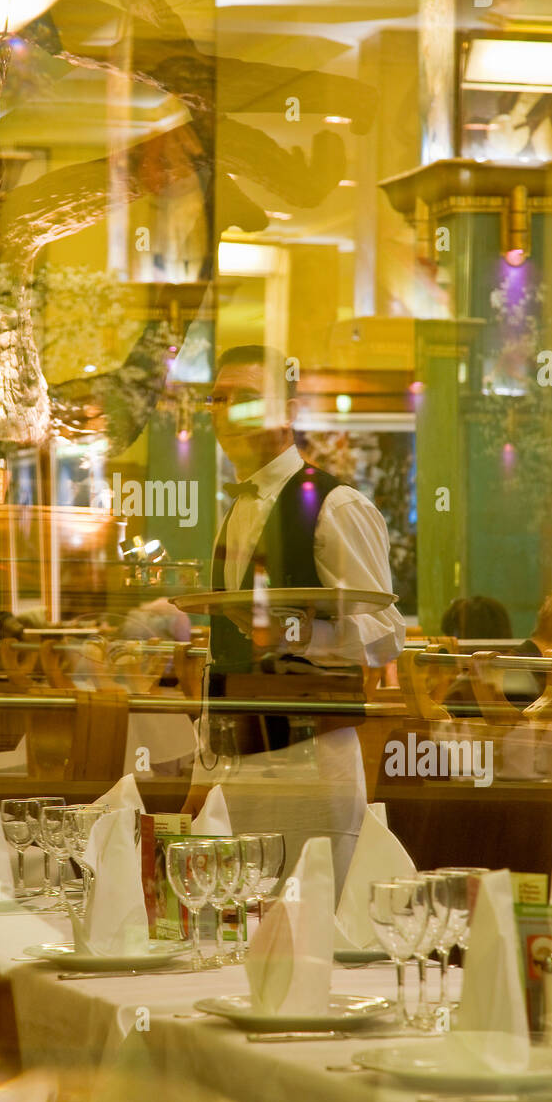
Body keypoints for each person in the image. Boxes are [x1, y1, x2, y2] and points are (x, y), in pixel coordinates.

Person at [184, 344, 405, 891]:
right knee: (236, 928)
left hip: (311, 763)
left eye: (248, 399)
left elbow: (384, 636)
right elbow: (225, 652)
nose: (228, 411)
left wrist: (295, 631)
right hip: (237, 763)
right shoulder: (234, 508)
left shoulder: (337, 505)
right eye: (218, 398)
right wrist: (203, 770)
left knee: (310, 929)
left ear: (287, 412)